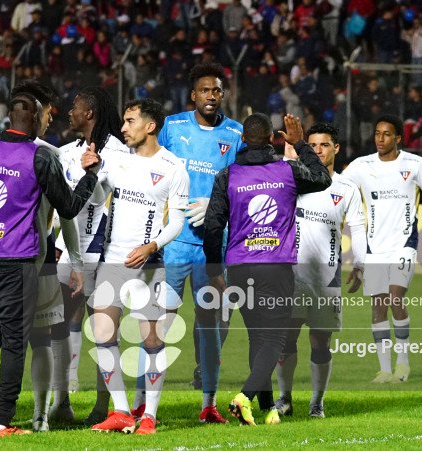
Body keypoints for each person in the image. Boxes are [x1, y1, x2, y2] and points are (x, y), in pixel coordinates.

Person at [0, 92, 100, 437]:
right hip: (18, 263)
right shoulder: (40, 156)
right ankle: (3, 421)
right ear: (34, 119)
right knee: (15, 342)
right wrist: (90, 175)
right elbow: (68, 207)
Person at [203, 113, 331, 426]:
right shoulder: (287, 170)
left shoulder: (227, 175)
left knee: (257, 338)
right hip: (276, 267)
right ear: (273, 139)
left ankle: (267, 407)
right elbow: (322, 177)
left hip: (239, 268)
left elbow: (213, 226)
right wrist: (299, 143)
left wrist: (214, 270)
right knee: (273, 340)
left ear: (243, 139)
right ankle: (244, 397)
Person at [89, 99, 189, 435]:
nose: (123, 128)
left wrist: (151, 246)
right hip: (112, 261)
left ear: (150, 126)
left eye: (130, 121)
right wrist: (92, 172)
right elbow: (94, 200)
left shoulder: (173, 167)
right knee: (103, 333)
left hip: (148, 264)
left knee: (152, 340)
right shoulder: (116, 160)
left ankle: (150, 416)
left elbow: (177, 222)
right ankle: (121, 411)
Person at [341, 114, 422, 384]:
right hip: (374, 248)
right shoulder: (361, 166)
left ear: (397, 138)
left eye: (386, 134)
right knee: (378, 308)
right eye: (377, 133)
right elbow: (336, 187)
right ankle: (385, 370)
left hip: (404, 244)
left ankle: (403, 364)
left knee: (395, 298)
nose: (380, 139)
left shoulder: (414, 164)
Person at [156, 62, 244, 423]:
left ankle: (209, 404)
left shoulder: (235, 133)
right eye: (205, 90)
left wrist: (215, 204)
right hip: (176, 243)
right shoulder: (172, 127)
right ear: (193, 95)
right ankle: (146, 404)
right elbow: (153, 169)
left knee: (212, 321)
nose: (211, 95)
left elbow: (242, 184)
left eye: (217, 90)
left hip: (212, 246)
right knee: (161, 321)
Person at [273, 123, 366, 419]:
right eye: (312, 145)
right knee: (286, 339)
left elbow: (358, 228)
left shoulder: (346, 189)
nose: (317, 151)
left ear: (336, 148)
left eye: (324, 145)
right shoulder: (294, 178)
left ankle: (317, 404)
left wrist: (360, 264)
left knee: (320, 342)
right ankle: (285, 399)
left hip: (327, 278)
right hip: (291, 275)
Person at [53, 87, 132, 427]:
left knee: (105, 331)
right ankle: (61, 403)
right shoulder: (68, 151)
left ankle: (104, 407)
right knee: (58, 325)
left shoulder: (120, 153)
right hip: (69, 252)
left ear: (89, 113)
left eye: (75, 106)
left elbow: (112, 201)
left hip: (104, 254)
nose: (69, 111)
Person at [9, 80, 84, 432]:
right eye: (48, 112)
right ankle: (42, 415)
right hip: (38, 258)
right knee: (43, 336)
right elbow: (66, 210)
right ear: (33, 112)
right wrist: (76, 259)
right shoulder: (48, 154)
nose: (51, 119)